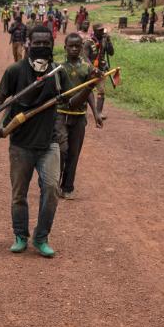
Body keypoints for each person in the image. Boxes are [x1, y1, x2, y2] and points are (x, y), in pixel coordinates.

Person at [0, 25, 62, 257]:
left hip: (49, 143)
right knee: (19, 194)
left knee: (51, 189)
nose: (42, 47)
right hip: (20, 144)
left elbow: (71, 102)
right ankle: (20, 235)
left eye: (46, 43)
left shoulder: (57, 72)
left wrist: (91, 84)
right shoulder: (15, 71)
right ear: (28, 45)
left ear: (52, 45)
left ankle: (41, 237)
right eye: (38, 43)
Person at [55, 32, 105, 201]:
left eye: (78, 46)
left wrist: (95, 113)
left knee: (74, 153)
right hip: (61, 115)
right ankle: (54, 183)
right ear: (65, 48)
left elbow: (88, 92)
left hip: (79, 116)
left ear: (82, 48)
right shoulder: (59, 67)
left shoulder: (87, 67)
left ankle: (67, 187)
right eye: (71, 46)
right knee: (61, 150)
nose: (74, 49)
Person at [83, 23, 115, 120]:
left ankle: (99, 112)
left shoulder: (105, 41)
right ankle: (83, 111)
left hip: (101, 70)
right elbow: (85, 57)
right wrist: (92, 68)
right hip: (89, 70)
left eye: (103, 30)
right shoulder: (89, 42)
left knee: (101, 91)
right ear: (95, 31)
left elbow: (111, 53)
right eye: (100, 30)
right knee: (86, 90)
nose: (102, 32)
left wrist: (109, 41)